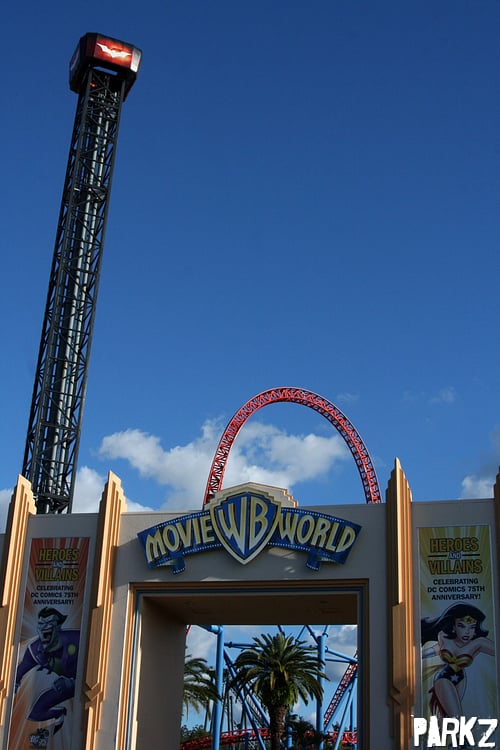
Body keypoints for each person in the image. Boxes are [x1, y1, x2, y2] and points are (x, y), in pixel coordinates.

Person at [421, 603, 495, 718]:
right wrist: (415, 655)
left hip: (461, 679)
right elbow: (435, 649)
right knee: (456, 717)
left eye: (472, 627)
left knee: (447, 717)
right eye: (462, 626)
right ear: (454, 626)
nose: (467, 632)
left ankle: (440, 728)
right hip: (443, 678)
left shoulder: (478, 643)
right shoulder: (444, 637)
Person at [15, 607, 79, 734]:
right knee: (35, 714)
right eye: (41, 624)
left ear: (58, 627)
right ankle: (59, 713)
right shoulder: (35, 650)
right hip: (65, 687)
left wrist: (73, 684)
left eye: (49, 623)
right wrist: (12, 690)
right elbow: (19, 673)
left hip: (81, 686)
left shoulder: (76, 640)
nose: (44, 627)